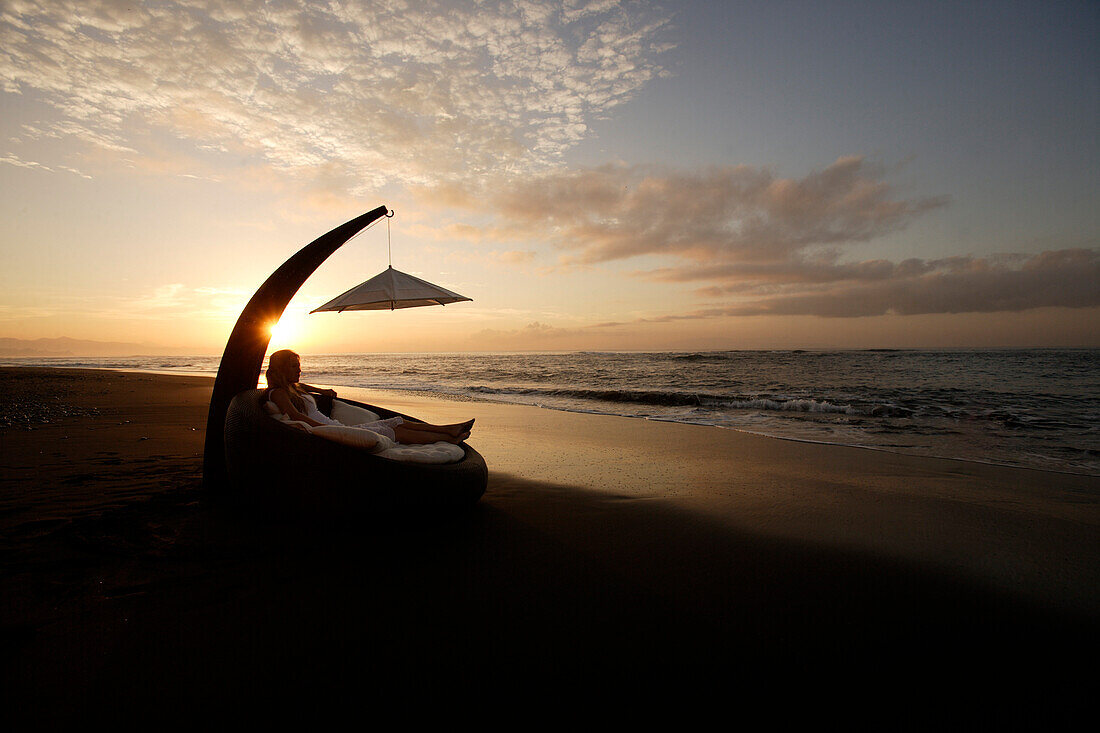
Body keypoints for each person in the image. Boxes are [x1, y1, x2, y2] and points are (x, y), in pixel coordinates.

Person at [264, 349, 473, 445]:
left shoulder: (292, 387)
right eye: (294, 367)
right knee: (391, 430)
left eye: (299, 366)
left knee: (396, 422)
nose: (299, 370)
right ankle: (449, 438)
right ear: (282, 369)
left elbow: (301, 385)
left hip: (335, 426)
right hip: (334, 432)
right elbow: (295, 417)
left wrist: (323, 392)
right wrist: (324, 430)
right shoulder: (279, 393)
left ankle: (448, 429)